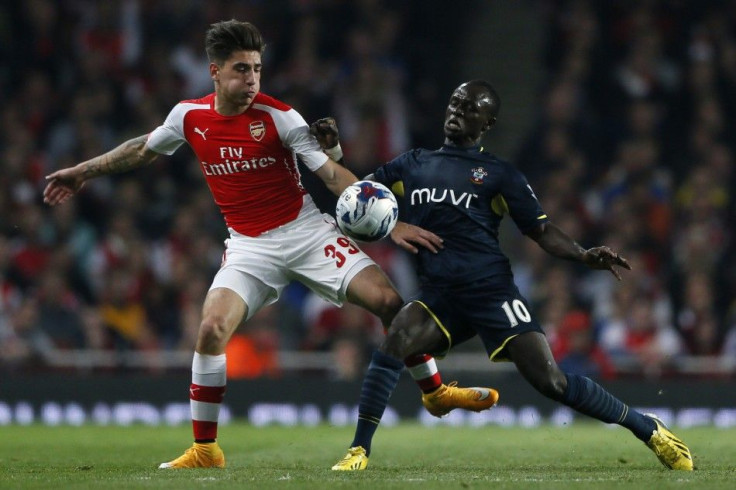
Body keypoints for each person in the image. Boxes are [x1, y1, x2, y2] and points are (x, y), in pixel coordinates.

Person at [42, 20, 498, 470]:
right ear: (215, 71)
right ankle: (205, 449)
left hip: (306, 234)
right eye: (242, 69)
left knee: (389, 302)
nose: (252, 79)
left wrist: (389, 222)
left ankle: (435, 393)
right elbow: (143, 147)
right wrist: (83, 171)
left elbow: (333, 175)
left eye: (257, 68)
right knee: (210, 330)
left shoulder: (279, 116)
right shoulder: (189, 116)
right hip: (249, 247)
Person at [315, 80, 693, 471]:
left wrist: (583, 254)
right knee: (397, 337)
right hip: (442, 294)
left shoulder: (498, 174)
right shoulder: (412, 163)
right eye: (455, 101)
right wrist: (336, 152)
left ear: (487, 122)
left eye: (470, 107)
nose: (458, 109)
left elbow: (540, 230)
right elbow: (358, 196)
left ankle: (648, 428)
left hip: (492, 292)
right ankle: (359, 450)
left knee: (552, 382)